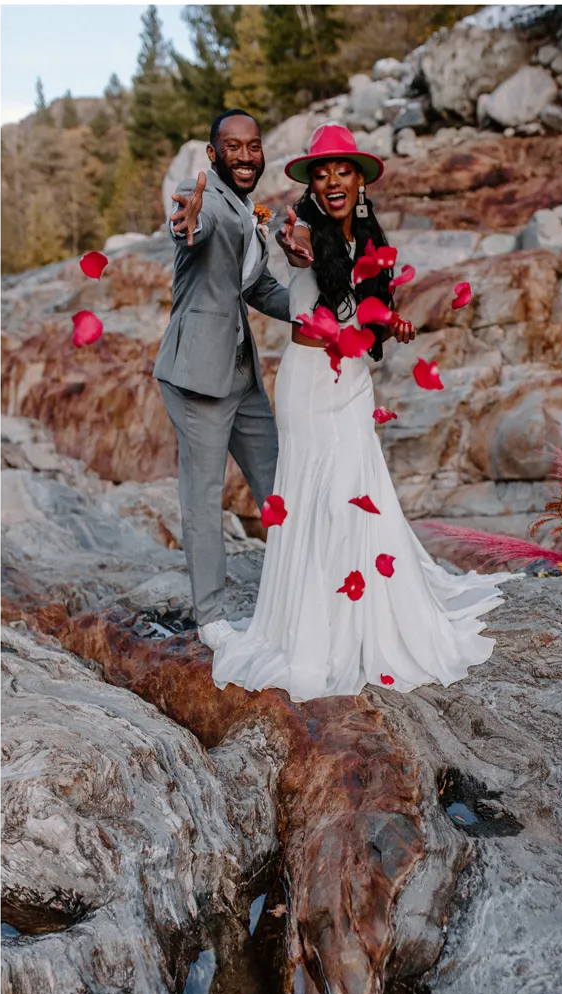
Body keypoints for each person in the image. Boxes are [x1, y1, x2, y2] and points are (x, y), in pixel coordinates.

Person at [211, 123, 517, 702]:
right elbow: (288, 237)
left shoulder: (371, 244)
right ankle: (314, 627)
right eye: (321, 173)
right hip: (306, 382)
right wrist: (290, 242)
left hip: (351, 381)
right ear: (312, 183)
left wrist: (391, 323)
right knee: (317, 494)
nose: (331, 181)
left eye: (342, 171)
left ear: (359, 180)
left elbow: (366, 317)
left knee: (357, 488)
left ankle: (364, 620)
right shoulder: (303, 228)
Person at [154, 108, 296, 650]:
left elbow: (259, 291)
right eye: (232, 147)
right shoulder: (208, 201)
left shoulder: (245, 207)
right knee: (204, 494)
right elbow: (195, 227)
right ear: (213, 156)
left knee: (277, 486)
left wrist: (312, 311)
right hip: (196, 378)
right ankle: (211, 619)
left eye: (253, 146)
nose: (245, 155)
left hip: (240, 373)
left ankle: (296, 592)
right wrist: (184, 223)